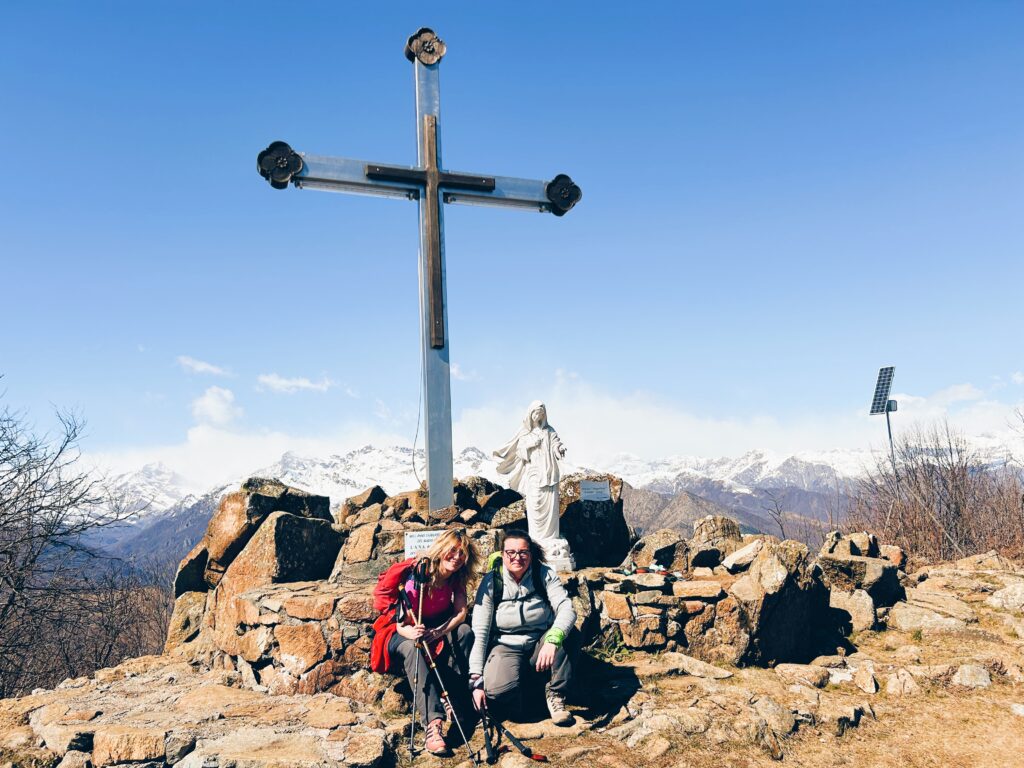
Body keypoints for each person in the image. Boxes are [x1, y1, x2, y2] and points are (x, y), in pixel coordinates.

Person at [370, 528, 480, 756]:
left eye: (463, 554)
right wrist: (411, 632)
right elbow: (401, 621)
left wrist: (439, 631)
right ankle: (433, 724)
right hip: (404, 630)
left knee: (464, 632)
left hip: (435, 628)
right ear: (441, 550)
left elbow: (460, 613)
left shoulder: (456, 578)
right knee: (413, 648)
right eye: (453, 551)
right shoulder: (418, 573)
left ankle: (453, 696)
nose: (458, 558)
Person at [468, 529, 577, 725]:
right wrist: (476, 680)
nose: (517, 557)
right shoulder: (492, 582)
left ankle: (556, 695)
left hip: (540, 641)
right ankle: (526, 704)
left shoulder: (544, 575)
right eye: (511, 552)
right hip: (505, 645)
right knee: (497, 690)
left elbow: (566, 608)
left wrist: (552, 640)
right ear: (502, 555)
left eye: (523, 552)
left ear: (531, 554)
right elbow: (480, 631)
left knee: (567, 633)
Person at [492, 401, 572, 567]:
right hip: (534, 474)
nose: (538, 416)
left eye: (541, 414)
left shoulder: (550, 431)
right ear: (530, 415)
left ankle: (551, 538)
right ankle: (536, 539)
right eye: (536, 413)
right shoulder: (526, 435)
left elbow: (556, 444)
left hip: (549, 475)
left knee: (550, 506)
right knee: (535, 504)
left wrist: (560, 448)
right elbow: (521, 452)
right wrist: (530, 445)